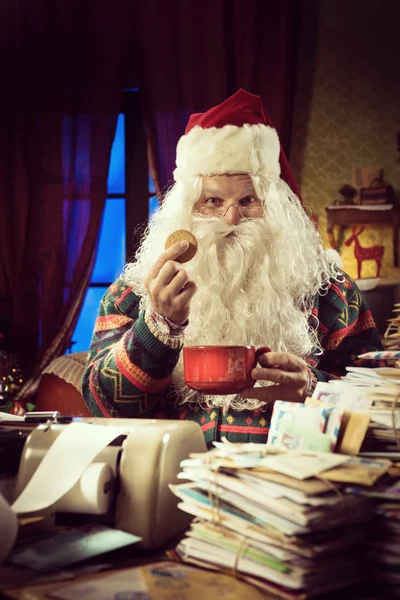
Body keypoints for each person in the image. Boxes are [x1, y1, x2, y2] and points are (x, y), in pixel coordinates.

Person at [82, 89, 382, 446]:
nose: (231, 218)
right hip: (163, 485)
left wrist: (313, 389)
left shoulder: (332, 292)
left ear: (276, 207)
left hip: (284, 491)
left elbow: (379, 411)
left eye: (248, 199)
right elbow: (103, 405)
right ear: (186, 209)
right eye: (212, 201)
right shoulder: (134, 292)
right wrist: (159, 326)